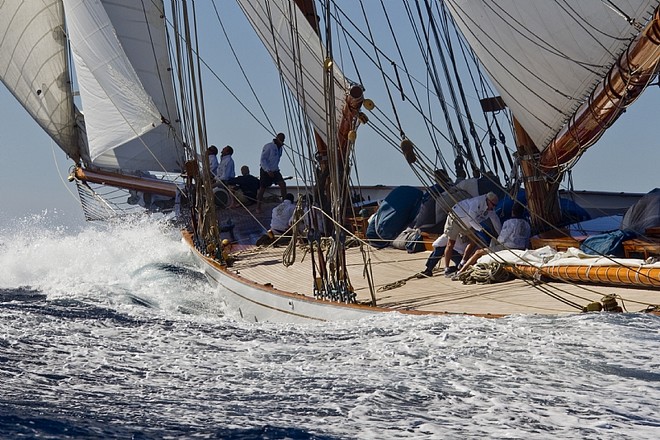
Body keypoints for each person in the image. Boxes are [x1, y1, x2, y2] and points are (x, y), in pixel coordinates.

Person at [452, 202, 531, 277]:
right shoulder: (527, 224)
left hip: (508, 248)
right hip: (521, 248)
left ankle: (461, 271)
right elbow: (527, 239)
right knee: (493, 242)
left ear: (512, 211)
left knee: (478, 252)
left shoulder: (509, 223)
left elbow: (501, 239)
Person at [442, 192, 502, 277]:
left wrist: (500, 237)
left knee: (475, 240)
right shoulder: (477, 202)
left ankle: (462, 263)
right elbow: (471, 218)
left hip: (468, 223)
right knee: (450, 243)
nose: (493, 207)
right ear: (488, 201)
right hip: (456, 218)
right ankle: (446, 268)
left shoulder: (490, 209)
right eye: (493, 205)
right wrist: (481, 230)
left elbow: (496, 221)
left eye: (495, 206)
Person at [256, 133, 287, 212]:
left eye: (283, 139)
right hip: (266, 170)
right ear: (277, 138)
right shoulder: (269, 146)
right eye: (281, 139)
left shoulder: (280, 148)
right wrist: (267, 170)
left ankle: (285, 203)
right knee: (262, 187)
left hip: (275, 170)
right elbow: (263, 159)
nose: (282, 141)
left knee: (282, 184)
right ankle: (258, 207)